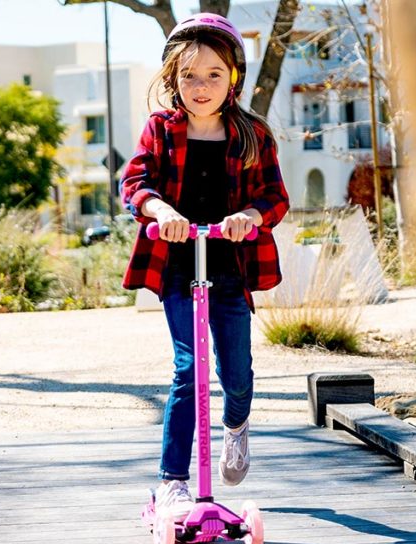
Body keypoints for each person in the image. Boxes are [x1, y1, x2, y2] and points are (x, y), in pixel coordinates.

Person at [119, 13, 290, 518]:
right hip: (177, 266)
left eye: (214, 74)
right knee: (188, 371)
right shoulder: (160, 129)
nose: (201, 86)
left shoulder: (252, 134)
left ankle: (236, 426)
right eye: (189, 75)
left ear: (233, 77)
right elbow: (134, 183)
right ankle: (172, 481)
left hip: (230, 266)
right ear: (172, 77)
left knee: (236, 374)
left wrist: (249, 216)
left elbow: (274, 196)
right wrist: (160, 211)